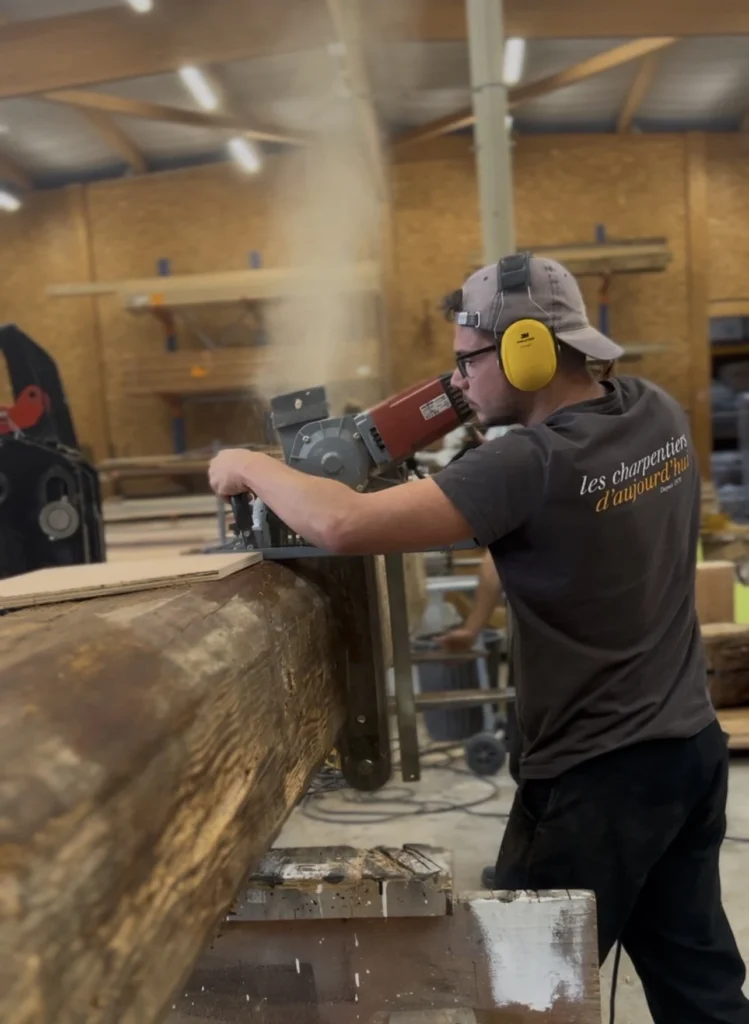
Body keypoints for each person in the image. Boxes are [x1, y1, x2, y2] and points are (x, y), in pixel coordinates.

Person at [208, 253, 749, 1022]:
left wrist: (247, 465)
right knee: (698, 988)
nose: (454, 382)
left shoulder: (526, 462)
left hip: (595, 779)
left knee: (524, 996)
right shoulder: (651, 410)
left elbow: (340, 523)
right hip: (687, 751)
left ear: (528, 348)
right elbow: (526, 526)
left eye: (465, 360)